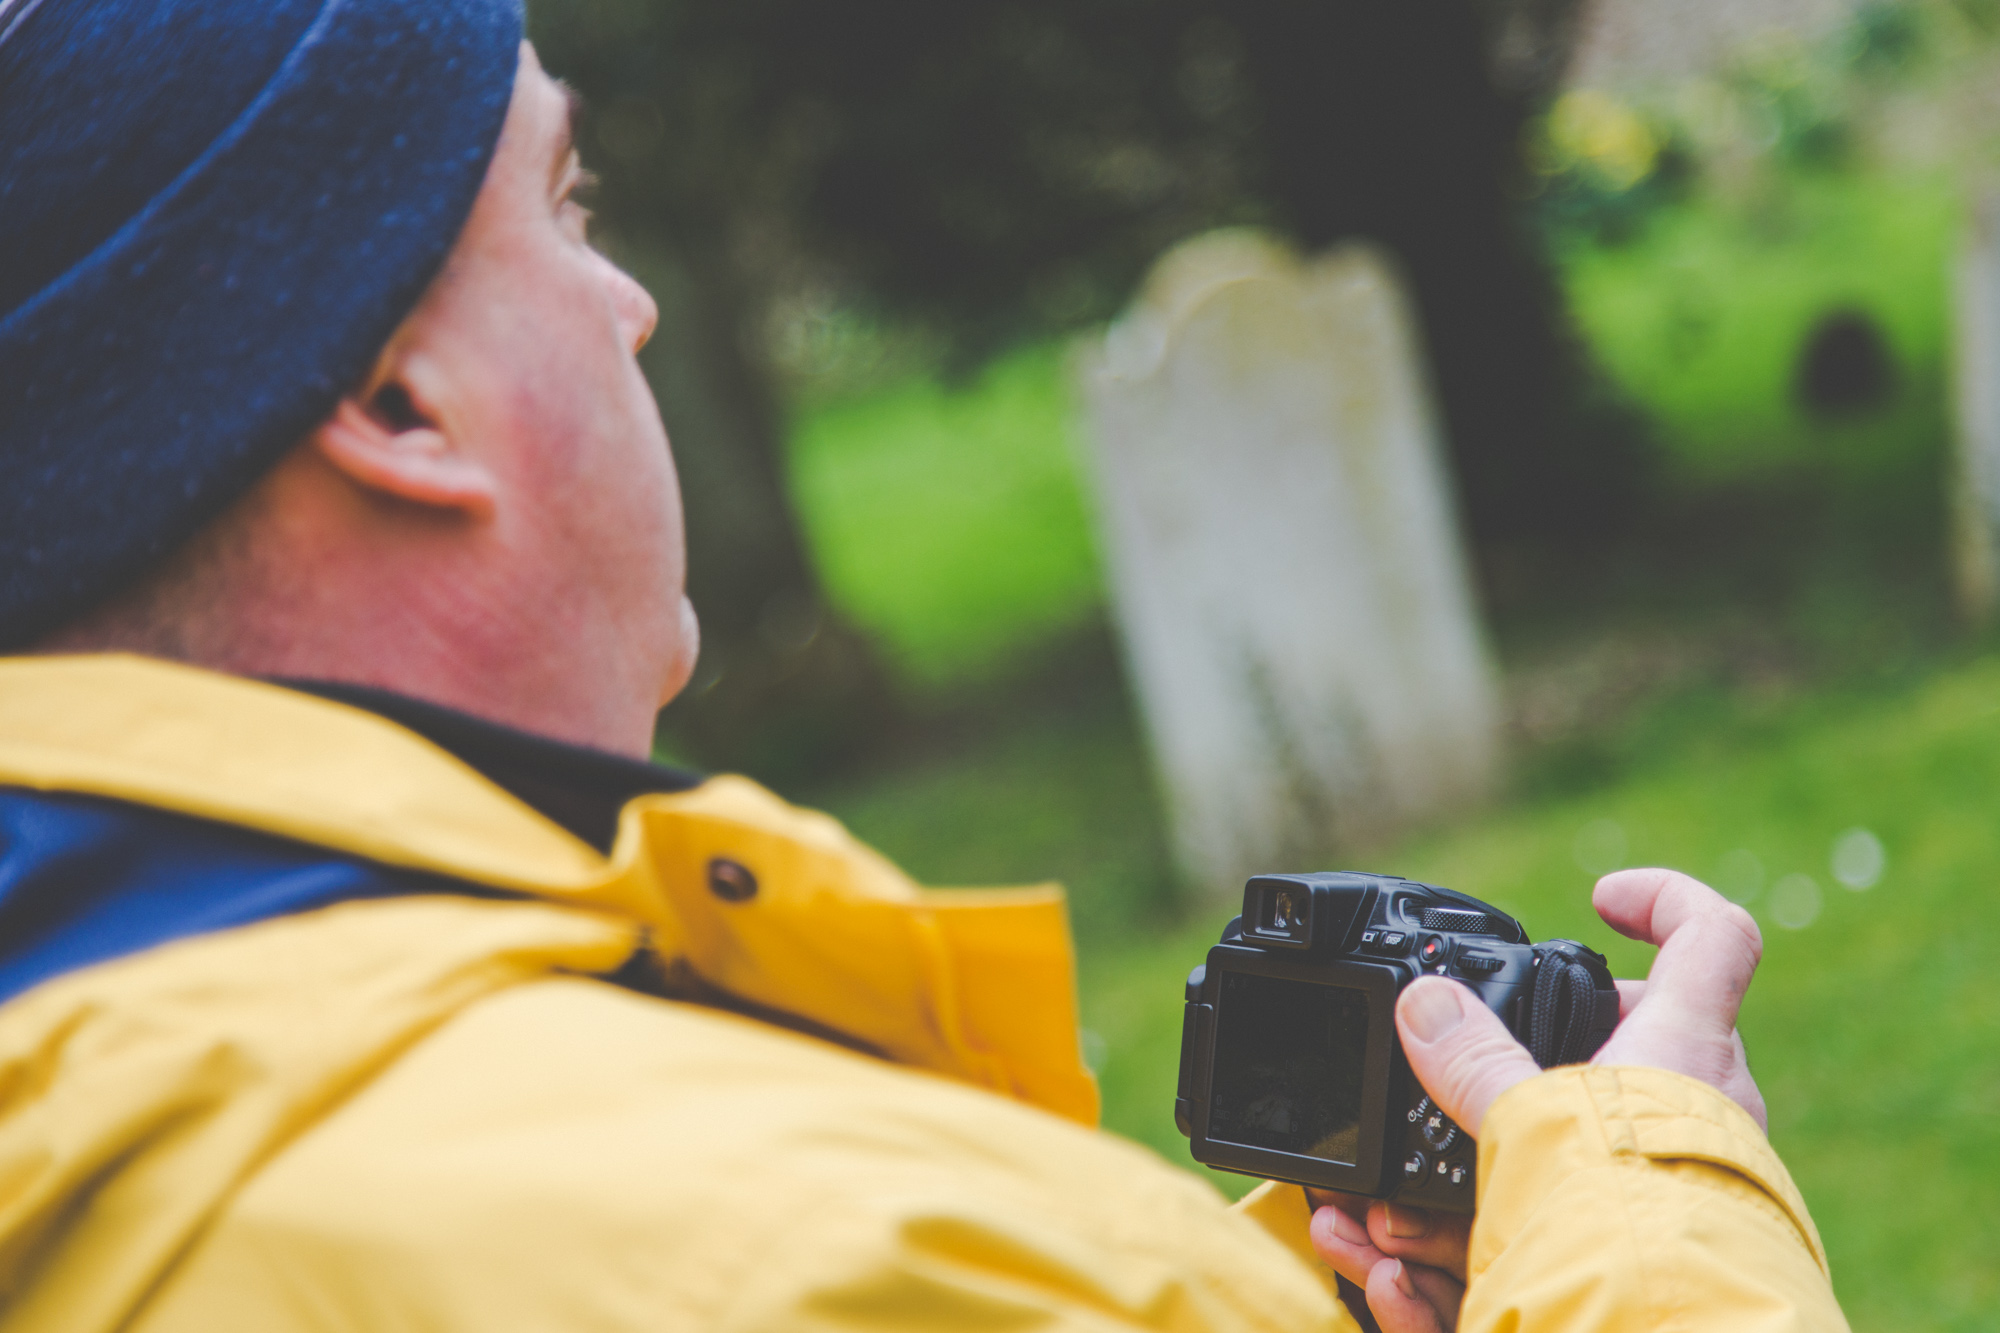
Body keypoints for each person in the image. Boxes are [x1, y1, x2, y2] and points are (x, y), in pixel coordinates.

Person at [0, 1, 1847, 1329]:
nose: (628, 300)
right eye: (562, 213)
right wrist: (1643, 1202)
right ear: (402, 402)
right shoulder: (813, 1249)